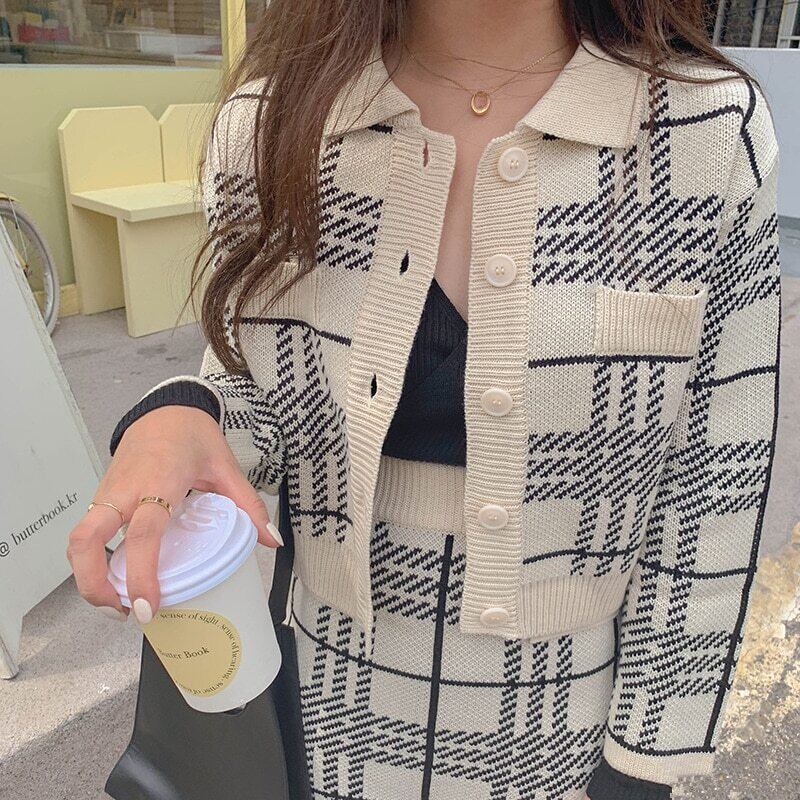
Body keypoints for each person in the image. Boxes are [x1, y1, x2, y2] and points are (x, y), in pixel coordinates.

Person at [67, 1, 782, 798]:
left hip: (566, 732)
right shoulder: (273, 123)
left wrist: (644, 762)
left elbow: (711, 490)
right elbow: (257, 390)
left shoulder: (707, 133)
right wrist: (181, 413)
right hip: (321, 709)